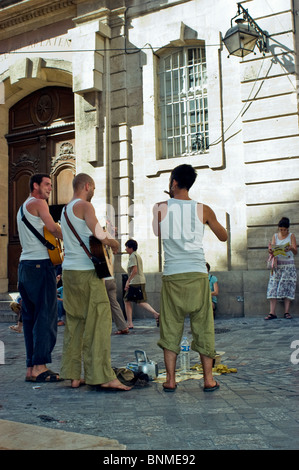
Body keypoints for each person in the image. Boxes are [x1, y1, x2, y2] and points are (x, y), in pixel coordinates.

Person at [152, 164, 227, 392]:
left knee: (170, 327)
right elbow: (223, 236)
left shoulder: (160, 208)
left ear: (174, 182)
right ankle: (208, 380)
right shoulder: (203, 209)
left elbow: (158, 231)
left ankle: (171, 380)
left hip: (173, 274)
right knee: (204, 326)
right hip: (197, 274)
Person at [60, 173, 131, 390]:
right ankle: (102, 376)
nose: (94, 192)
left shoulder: (64, 210)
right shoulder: (85, 206)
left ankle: (73, 376)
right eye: (94, 188)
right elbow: (99, 234)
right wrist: (114, 242)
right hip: (87, 273)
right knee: (100, 321)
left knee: (75, 323)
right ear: (87, 185)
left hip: (69, 273)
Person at [16, 173, 63, 382]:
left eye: (51, 185)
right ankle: (40, 367)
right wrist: (72, 235)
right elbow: (53, 228)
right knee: (45, 316)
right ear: (35, 185)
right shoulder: (38, 202)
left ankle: (30, 368)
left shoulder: (22, 207)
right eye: (47, 184)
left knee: (30, 318)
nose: (50, 188)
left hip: (25, 266)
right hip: (40, 265)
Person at [265, 217, 297, 320]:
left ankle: (286, 312)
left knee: (287, 287)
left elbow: (295, 251)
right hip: (277, 265)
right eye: (280, 229)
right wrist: (271, 250)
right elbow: (273, 249)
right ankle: (272, 312)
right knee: (273, 286)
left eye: (284, 229)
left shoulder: (291, 236)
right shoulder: (275, 236)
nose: (282, 231)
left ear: (288, 229)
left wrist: (291, 248)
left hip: (288, 265)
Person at [124, 239, 160, 329]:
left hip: (135, 282)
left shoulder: (133, 256)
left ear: (131, 248)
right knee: (137, 301)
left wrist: (128, 281)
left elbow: (134, 270)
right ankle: (155, 314)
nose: (125, 249)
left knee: (129, 300)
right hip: (138, 281)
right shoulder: (136, 255)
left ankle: (130, 323)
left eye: (127, 247)